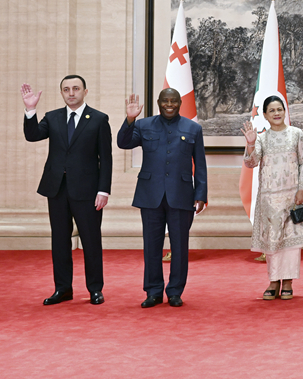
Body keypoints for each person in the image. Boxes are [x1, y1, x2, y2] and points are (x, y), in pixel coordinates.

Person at [21, 76, 112, 306]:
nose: (71, 93)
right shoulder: (53, 117)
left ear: (85, 91)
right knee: (59, 241)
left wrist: (104, 190)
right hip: (57, 189)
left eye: (75, 89)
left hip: (88, 191)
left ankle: (95, 289)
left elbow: (106, 159)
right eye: (66, 89)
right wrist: (30, 110)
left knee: (91, 241)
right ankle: (62, 288)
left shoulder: (99, 119)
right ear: (61, 93)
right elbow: (32, 135)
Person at [117, 88, 207, 308]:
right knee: (151, 246)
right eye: (165, 101)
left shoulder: (193, 128)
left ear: (179, 103)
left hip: (182, 196)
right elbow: (123, 143)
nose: (169, 105)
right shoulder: (143, 124)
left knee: (179, 247)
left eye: (173, 101)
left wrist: (201, 194)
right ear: (158, 102)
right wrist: (130, 119)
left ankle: (175, 291)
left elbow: (200, 164)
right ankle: (153, 291)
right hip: (150, 196)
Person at [242, 95, 303, 301]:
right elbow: (251, 163)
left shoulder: (296, 134)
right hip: (269, 199)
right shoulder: (262, 138)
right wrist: (250, 144)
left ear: (285, 111)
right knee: (272, 242)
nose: (276, 113)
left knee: (291, 242)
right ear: (265, 115)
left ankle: (288, 281)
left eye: (279, 109)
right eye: (271, 110)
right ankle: (273, 281)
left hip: (293, 196)